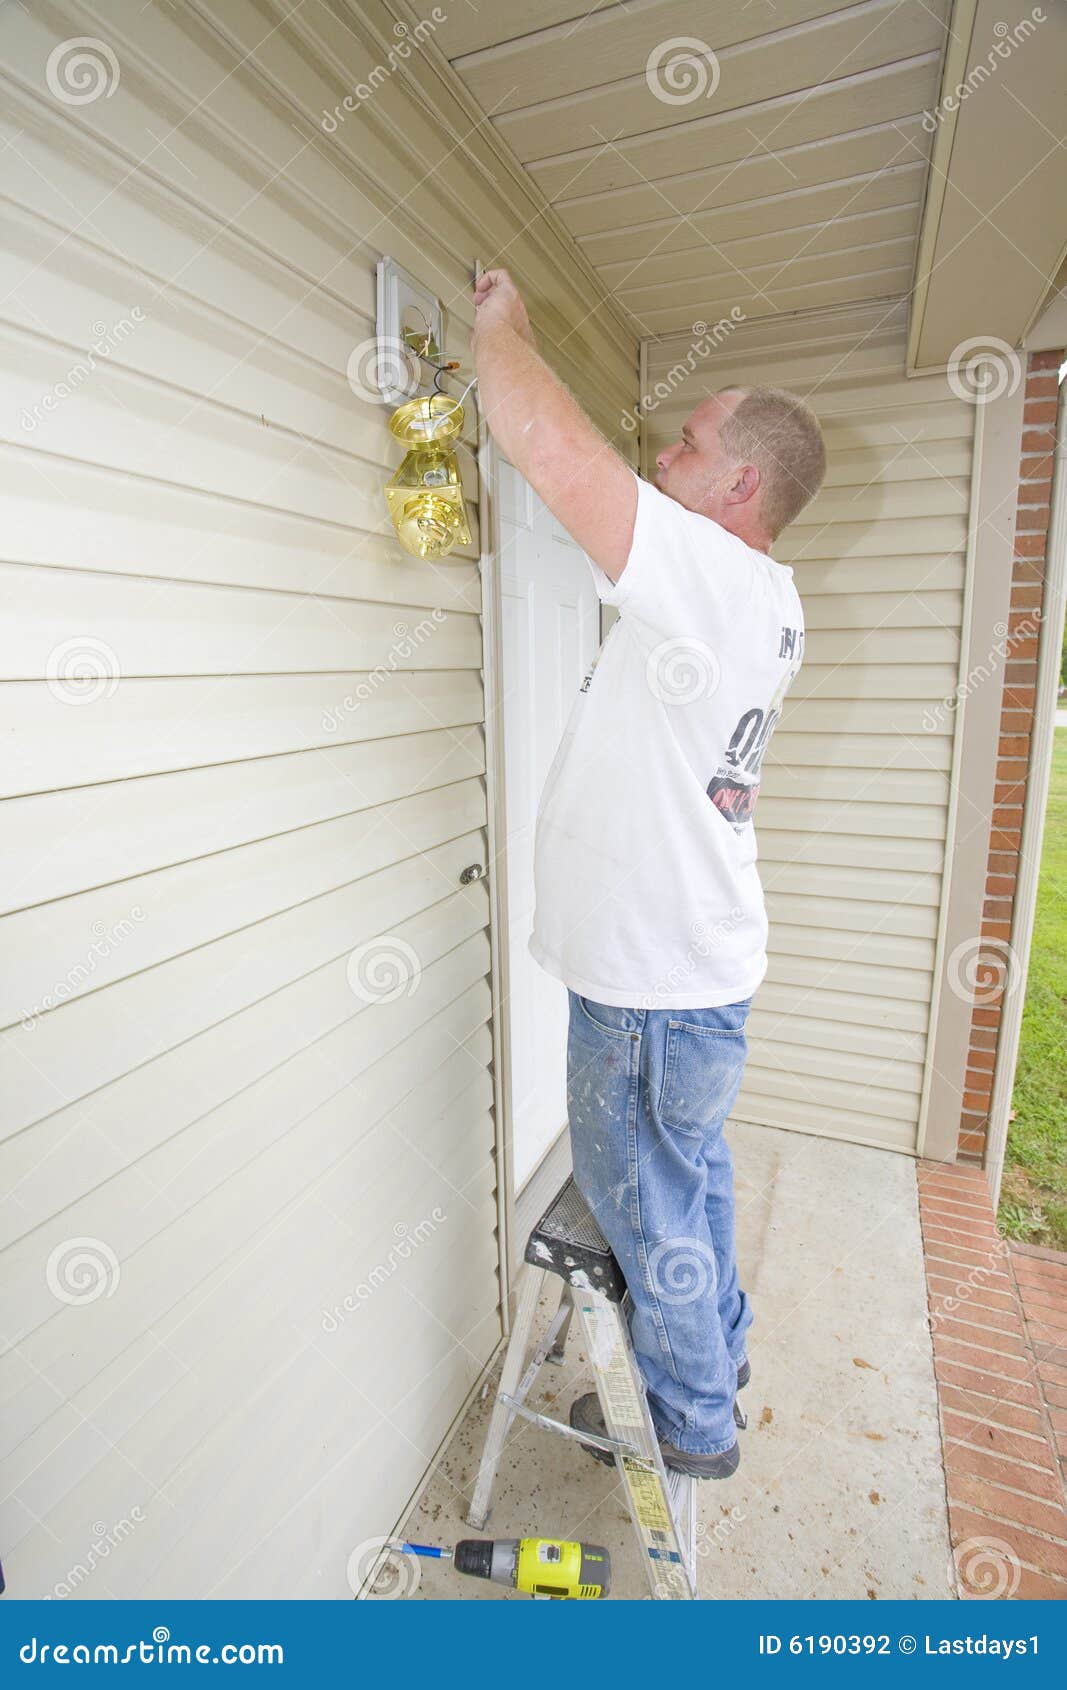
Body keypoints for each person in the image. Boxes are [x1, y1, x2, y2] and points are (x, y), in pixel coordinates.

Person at [472, 269, 826, 1479]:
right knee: (696, 1181)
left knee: (650, 1209)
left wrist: (497, 330)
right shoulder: (752, 602)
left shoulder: (717, 577)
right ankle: (715, 1357)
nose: (660, 454)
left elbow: (554, 453)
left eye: (686, 442)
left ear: (740, 483)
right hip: (687, 978)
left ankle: (686, 1422)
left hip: (646, 993)